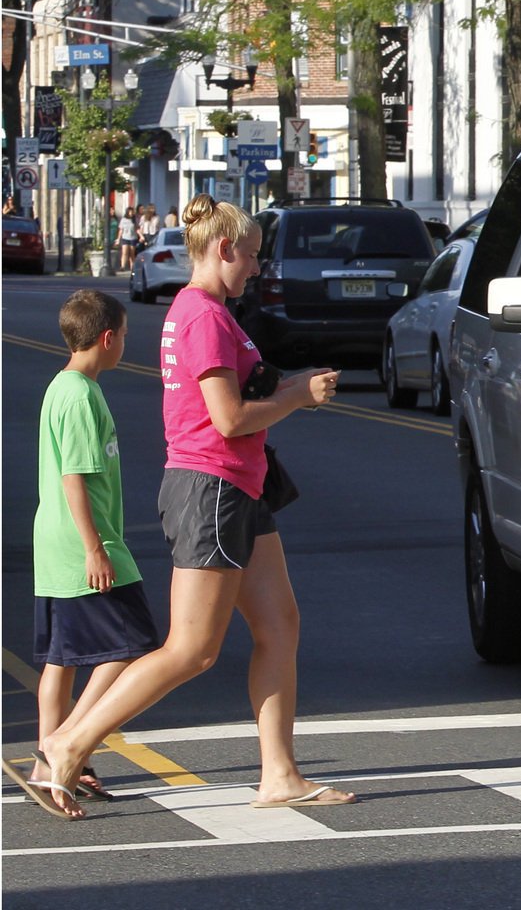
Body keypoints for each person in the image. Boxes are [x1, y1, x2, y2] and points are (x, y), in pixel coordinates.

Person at [34, 194, 346, 819]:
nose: (256, 268)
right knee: (191, 649)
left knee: (280, 624)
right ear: (223, 250)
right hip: (214, 487)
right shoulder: (203, 316)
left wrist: (289, 387)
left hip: (240, 485)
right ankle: (66, 746)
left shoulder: (202, 310)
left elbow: (235, 401)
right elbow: (227, 419)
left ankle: (279, 773)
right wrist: (298, 398)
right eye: (252, 257)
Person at [3, 291, 162, 820]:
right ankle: (67, 744)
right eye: (125, 335)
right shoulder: (78, 396)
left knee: (60, 658)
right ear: (108, 338)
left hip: (57, 541)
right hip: (81, 543)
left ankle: (49, 764)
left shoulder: (69, 386)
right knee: (133, 643)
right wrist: (96, 547)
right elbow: (74, 477)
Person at [117, 208, 139, 272]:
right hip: (125, 237)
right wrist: (118, 239)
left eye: (132, 212)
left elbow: (136, 229)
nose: (131, 213)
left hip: (133, 238)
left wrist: (141, 236)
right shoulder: (123, 220)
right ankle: (122, 266)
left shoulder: (134, 220)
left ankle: (132, 267)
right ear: (127, 212)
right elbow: (121, 230)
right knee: (124, 252)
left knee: (132, 253)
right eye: (130, 212)